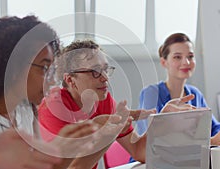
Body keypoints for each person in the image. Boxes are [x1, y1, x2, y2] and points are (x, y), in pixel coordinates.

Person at [0, 15, 100, 169]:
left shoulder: (26, 110)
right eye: (44, 68)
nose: (51, 80)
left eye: (52, 70)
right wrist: (56, 152)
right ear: (14, 65)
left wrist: (68, 151)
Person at [38, 39, 197, 169]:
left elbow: (139, 151)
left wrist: (162, 120)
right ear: (70, 80)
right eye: (95, 71)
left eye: (106, 70)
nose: (105, 78)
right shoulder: (54, 107)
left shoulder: (103, 100)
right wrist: (107, 135)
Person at [135, 33, 220, 147]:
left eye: (190, 56)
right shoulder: (151, 94)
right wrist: (212, 141)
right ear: (163, 62)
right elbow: (155, 139)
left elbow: (214, 128)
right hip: (148, 162)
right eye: (177, 57)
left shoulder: (195, 93)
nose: (186, 62)